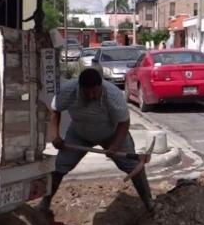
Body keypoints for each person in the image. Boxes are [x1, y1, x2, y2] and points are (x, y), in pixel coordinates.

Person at [39, 68, 155, 214]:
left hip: (112, 133)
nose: (92, 96)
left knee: (134, 166)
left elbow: (124, 123)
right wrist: (55, 136)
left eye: (95, 92)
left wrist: (115, 146)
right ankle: (45, 203)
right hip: (79, 134)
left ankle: (149, 202)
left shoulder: (112, 95)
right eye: (88, 93)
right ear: (80, 88)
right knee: (59, 167)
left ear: (101, 86)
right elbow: (55, 111)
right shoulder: (68, 91)